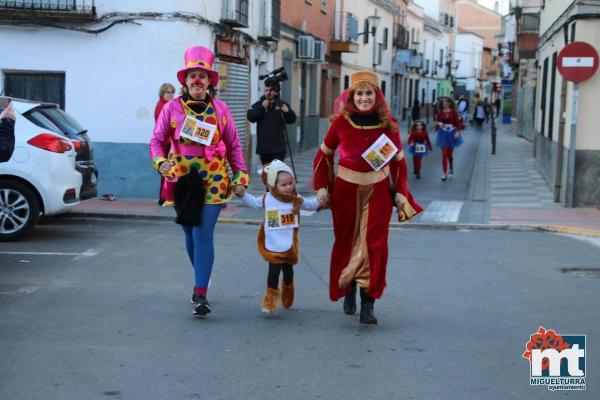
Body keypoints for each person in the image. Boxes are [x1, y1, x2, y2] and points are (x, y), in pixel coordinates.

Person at [313, 70, 422, 325]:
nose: (364, 98)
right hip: (345, 191)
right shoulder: (341, 122)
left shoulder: (388, 124)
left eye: (368, 93)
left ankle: (368, 303)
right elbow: (323, 155)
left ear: (377, 96)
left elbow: (399, 165)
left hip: (378, 192)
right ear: (352, 96)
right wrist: (321, 187)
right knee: (348, 242)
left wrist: (401, 195)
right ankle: (348, 288)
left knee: (373, 245)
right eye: (359, 93)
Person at [149, 45, 249, 317]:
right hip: (180, 180)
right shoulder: (171, 108)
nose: (197, 80)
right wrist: (161, 163)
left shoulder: (221, 109)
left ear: (209, 82)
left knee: (203, 233)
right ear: (185, 80)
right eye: (192, 75)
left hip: (214, 180)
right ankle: (202, 278)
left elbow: (234, 145)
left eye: (202, 76)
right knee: (189, 234)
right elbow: (156, 141)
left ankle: (200, 293)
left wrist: (240, 176)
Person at [234, 160, 323, 314]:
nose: (288, 187)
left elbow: (310, 204)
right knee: (273, 273)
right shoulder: (267, 198)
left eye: (290, 183)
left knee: (288, 272)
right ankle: (270, 300)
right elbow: (253, 202)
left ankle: (288, 290)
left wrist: (322, 200)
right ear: (273, 185)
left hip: (289, 245)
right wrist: (243, 195)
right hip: (273, 245)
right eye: (284, 184)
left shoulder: (295, 198)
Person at [247, 77, 296, 165]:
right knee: (267, 175)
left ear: (275, 91)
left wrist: (287, 112)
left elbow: (292, 120)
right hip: (264, 148)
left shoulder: (282, 104)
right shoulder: (259, 104)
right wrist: (262, 108)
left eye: (270, 90)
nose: (268, 93)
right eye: (266, 90)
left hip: (278, 148)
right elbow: (251, 117)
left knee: (275, 173)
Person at [435, 97, 463, 181]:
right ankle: (444, 173)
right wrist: (439, 125)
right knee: (444, 155)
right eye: (443, 102)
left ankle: (451, 167)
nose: (444, 103)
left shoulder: (453, 113)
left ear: (449, 103)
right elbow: (437, 126)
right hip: (443, 134)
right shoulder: (440, 114)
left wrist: (458, 132)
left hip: (452, 134)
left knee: (450, 155)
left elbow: (458, 124)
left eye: (446, 102)